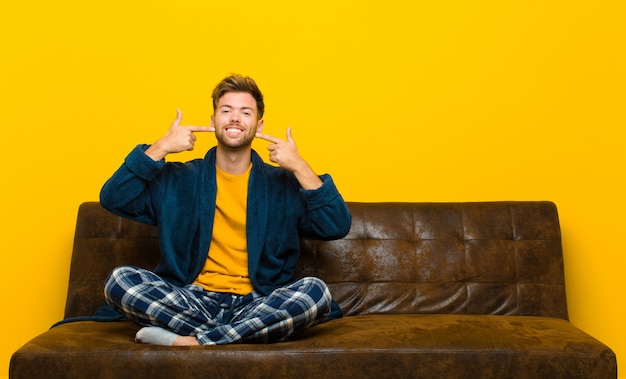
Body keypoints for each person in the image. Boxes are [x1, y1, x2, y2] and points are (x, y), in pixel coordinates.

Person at [100, 74, 351, 346]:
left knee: (316, 293)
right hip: (191, 298)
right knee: (120, 280)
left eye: (245, 112)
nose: (235, 118)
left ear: (259, 124)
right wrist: (160, 148)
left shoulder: (284, 183)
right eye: (226, 110)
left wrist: (300, 166)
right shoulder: (179, 179)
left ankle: (189, 342)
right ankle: (236, 335)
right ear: (213, 121)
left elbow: (336, 225)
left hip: (258, 302)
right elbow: (113, 197)